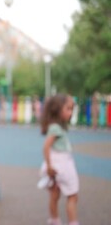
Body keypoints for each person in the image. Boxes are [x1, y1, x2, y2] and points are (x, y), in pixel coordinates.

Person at [39, 94, 79, 225]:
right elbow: (46, 147)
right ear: (58, 110)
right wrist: (50, 166)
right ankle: (72, 222)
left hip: (56, 166)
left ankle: (54, 220)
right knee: (72, 196)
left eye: (72, 109)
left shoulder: (58, 127)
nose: (71, 112)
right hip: (62, 166)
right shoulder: (56, 128)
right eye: (68, 108)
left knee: (54, 195)